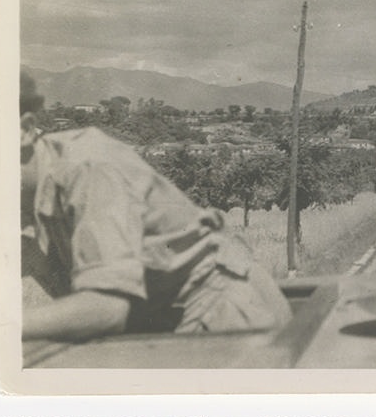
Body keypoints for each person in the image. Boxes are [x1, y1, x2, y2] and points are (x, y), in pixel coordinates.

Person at [20, 72, 291, 342]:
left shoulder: (88, 169)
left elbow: (107, 308)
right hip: (168, 321)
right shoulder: (20, 189)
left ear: (25, 129)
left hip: (219, 311)